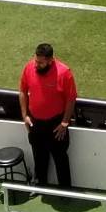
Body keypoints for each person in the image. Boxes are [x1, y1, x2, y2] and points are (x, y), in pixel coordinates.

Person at [17, 43, 78, 189]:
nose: (36, 65)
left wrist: (64, 123)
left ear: (51, 60)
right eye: (36, 61)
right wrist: (25, 115)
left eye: (41, 62)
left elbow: (71, 99)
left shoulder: (64, 73)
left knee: (60, 158)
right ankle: (39, 185)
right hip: (35, 122)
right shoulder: (29, 67)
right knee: (38, 155)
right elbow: (22, 91)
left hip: (56, 123)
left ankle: (65, 191)